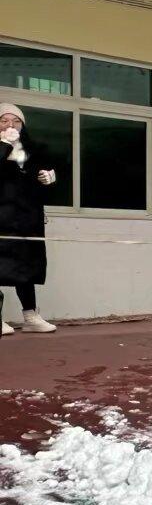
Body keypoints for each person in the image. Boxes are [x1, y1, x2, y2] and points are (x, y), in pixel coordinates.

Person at [0, 103, 58, 336]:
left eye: (16, 121)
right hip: (1, 218)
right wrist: (4, 145)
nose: (10, 125)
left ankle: (31, 316)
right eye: (4, 120)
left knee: (26, 266)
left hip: (26, 218)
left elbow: (43, 178)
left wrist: (49, 178)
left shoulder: (32, 149)